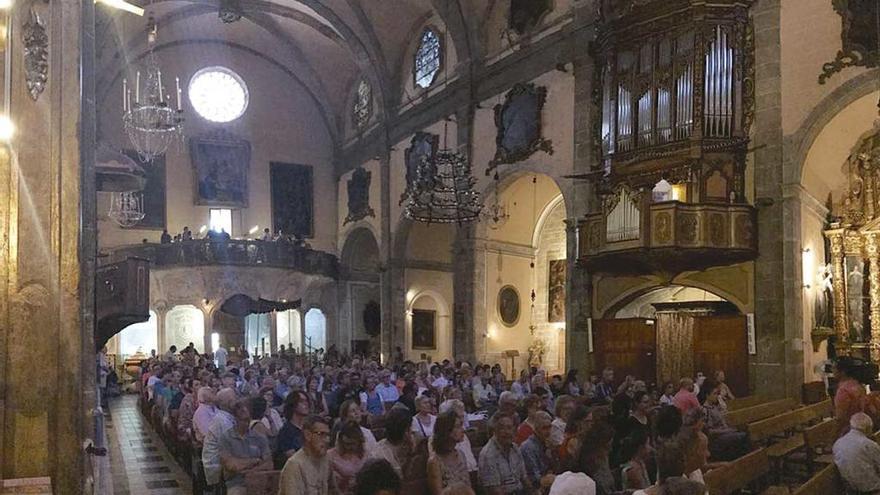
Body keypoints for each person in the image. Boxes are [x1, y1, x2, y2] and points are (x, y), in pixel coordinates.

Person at [219, 398, 273, 494]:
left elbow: (269, 464)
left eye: (248, 420)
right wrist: (255, 461)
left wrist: (251, 472)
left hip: (259, 482)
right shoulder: (225, 438)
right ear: (235, 419)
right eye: (243, 420)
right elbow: (232, 465)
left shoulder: (259, 437)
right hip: (237, 483)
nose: (247, 423)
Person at [478, 412, 532, 494]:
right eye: (502, 428)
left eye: (510, 428)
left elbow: (524, 478)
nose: (507, 432)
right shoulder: (488, 455)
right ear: (494, 430)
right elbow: (494, 491)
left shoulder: (515, 448)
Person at [278, 415, 331, 495]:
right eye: (321, 434)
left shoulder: (326, 459)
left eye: (327, 435)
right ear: (308, 435)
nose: (327, 440)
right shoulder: (294, 465)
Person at [833, 412, 880, 494]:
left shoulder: (837, 443)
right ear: (868, 429)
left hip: (850, 487)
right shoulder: (869, 444)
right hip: (871, 488)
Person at [427, 410, 472, 494]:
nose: (463, 430)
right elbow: (438, 493)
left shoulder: (460, 455)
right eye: (458, 427)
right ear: (447, 430)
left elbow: (468, 487)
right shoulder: (435, 462)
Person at [202, 388, 238, 490]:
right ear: (228, 403)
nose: (237, 402)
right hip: (216, 465)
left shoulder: (226, 417)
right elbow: (233, 445)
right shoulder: (222, 421)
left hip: (222, 459)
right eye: (234, 399)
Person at [328, 421, 368, 495]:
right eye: (346, 444)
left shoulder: (366, 455)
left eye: (352, 444)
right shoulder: (331, 456)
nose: (349, 447)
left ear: (359, 441)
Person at [373, 407, 414, 477]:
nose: (411, 431)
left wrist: (411, 453)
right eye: (409, 429)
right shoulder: (380, 454)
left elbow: (408, 475)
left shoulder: (408, 446)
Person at [834, 357, 868, 438]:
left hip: (847, 432)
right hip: (860, 426)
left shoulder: (843, 391)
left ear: (843, 372)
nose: (833, 372)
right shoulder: (858, 385)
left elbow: (840, 418)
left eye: (834, 369)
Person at [520, 411, 554, 490]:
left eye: (549, 427)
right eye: (544, 428)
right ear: (536, 429)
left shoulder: (547, 443)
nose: (548, 431)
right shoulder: (528, 447)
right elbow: (534, 478)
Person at [276, 391, 310, 468]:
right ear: (293, 405)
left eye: (306, 401)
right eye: (301, 401)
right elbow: (292, 457)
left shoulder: (309, 429)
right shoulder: (286, 431)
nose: (306, 404)